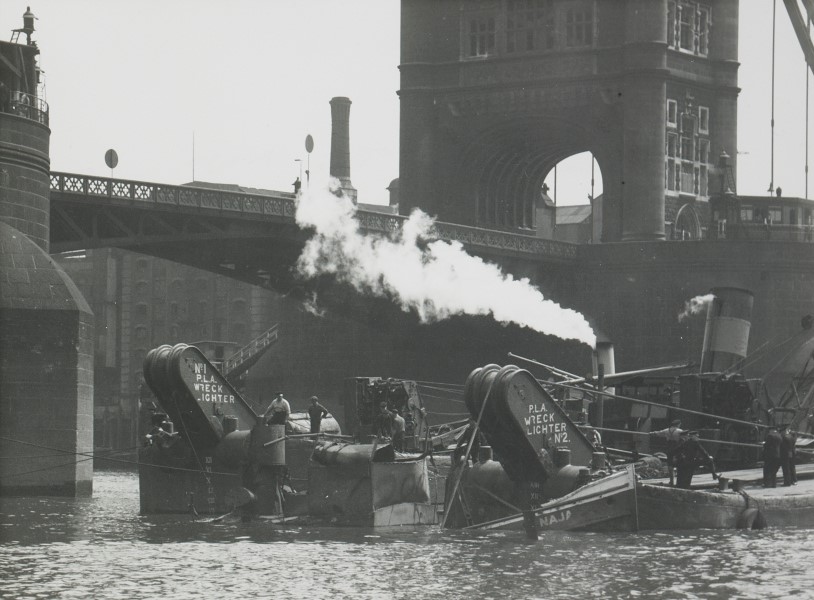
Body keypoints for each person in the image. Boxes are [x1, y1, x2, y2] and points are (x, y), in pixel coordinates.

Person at [650, 419, 683, 486]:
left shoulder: (666, 430)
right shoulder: (679, 431)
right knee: (679, 463)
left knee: (670, 465)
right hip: (677, 448)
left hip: (669, 448)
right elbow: (685, 437)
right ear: (678, 424)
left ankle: (671, 481)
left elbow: (658, 433)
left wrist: (651, 433)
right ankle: (679, 481)